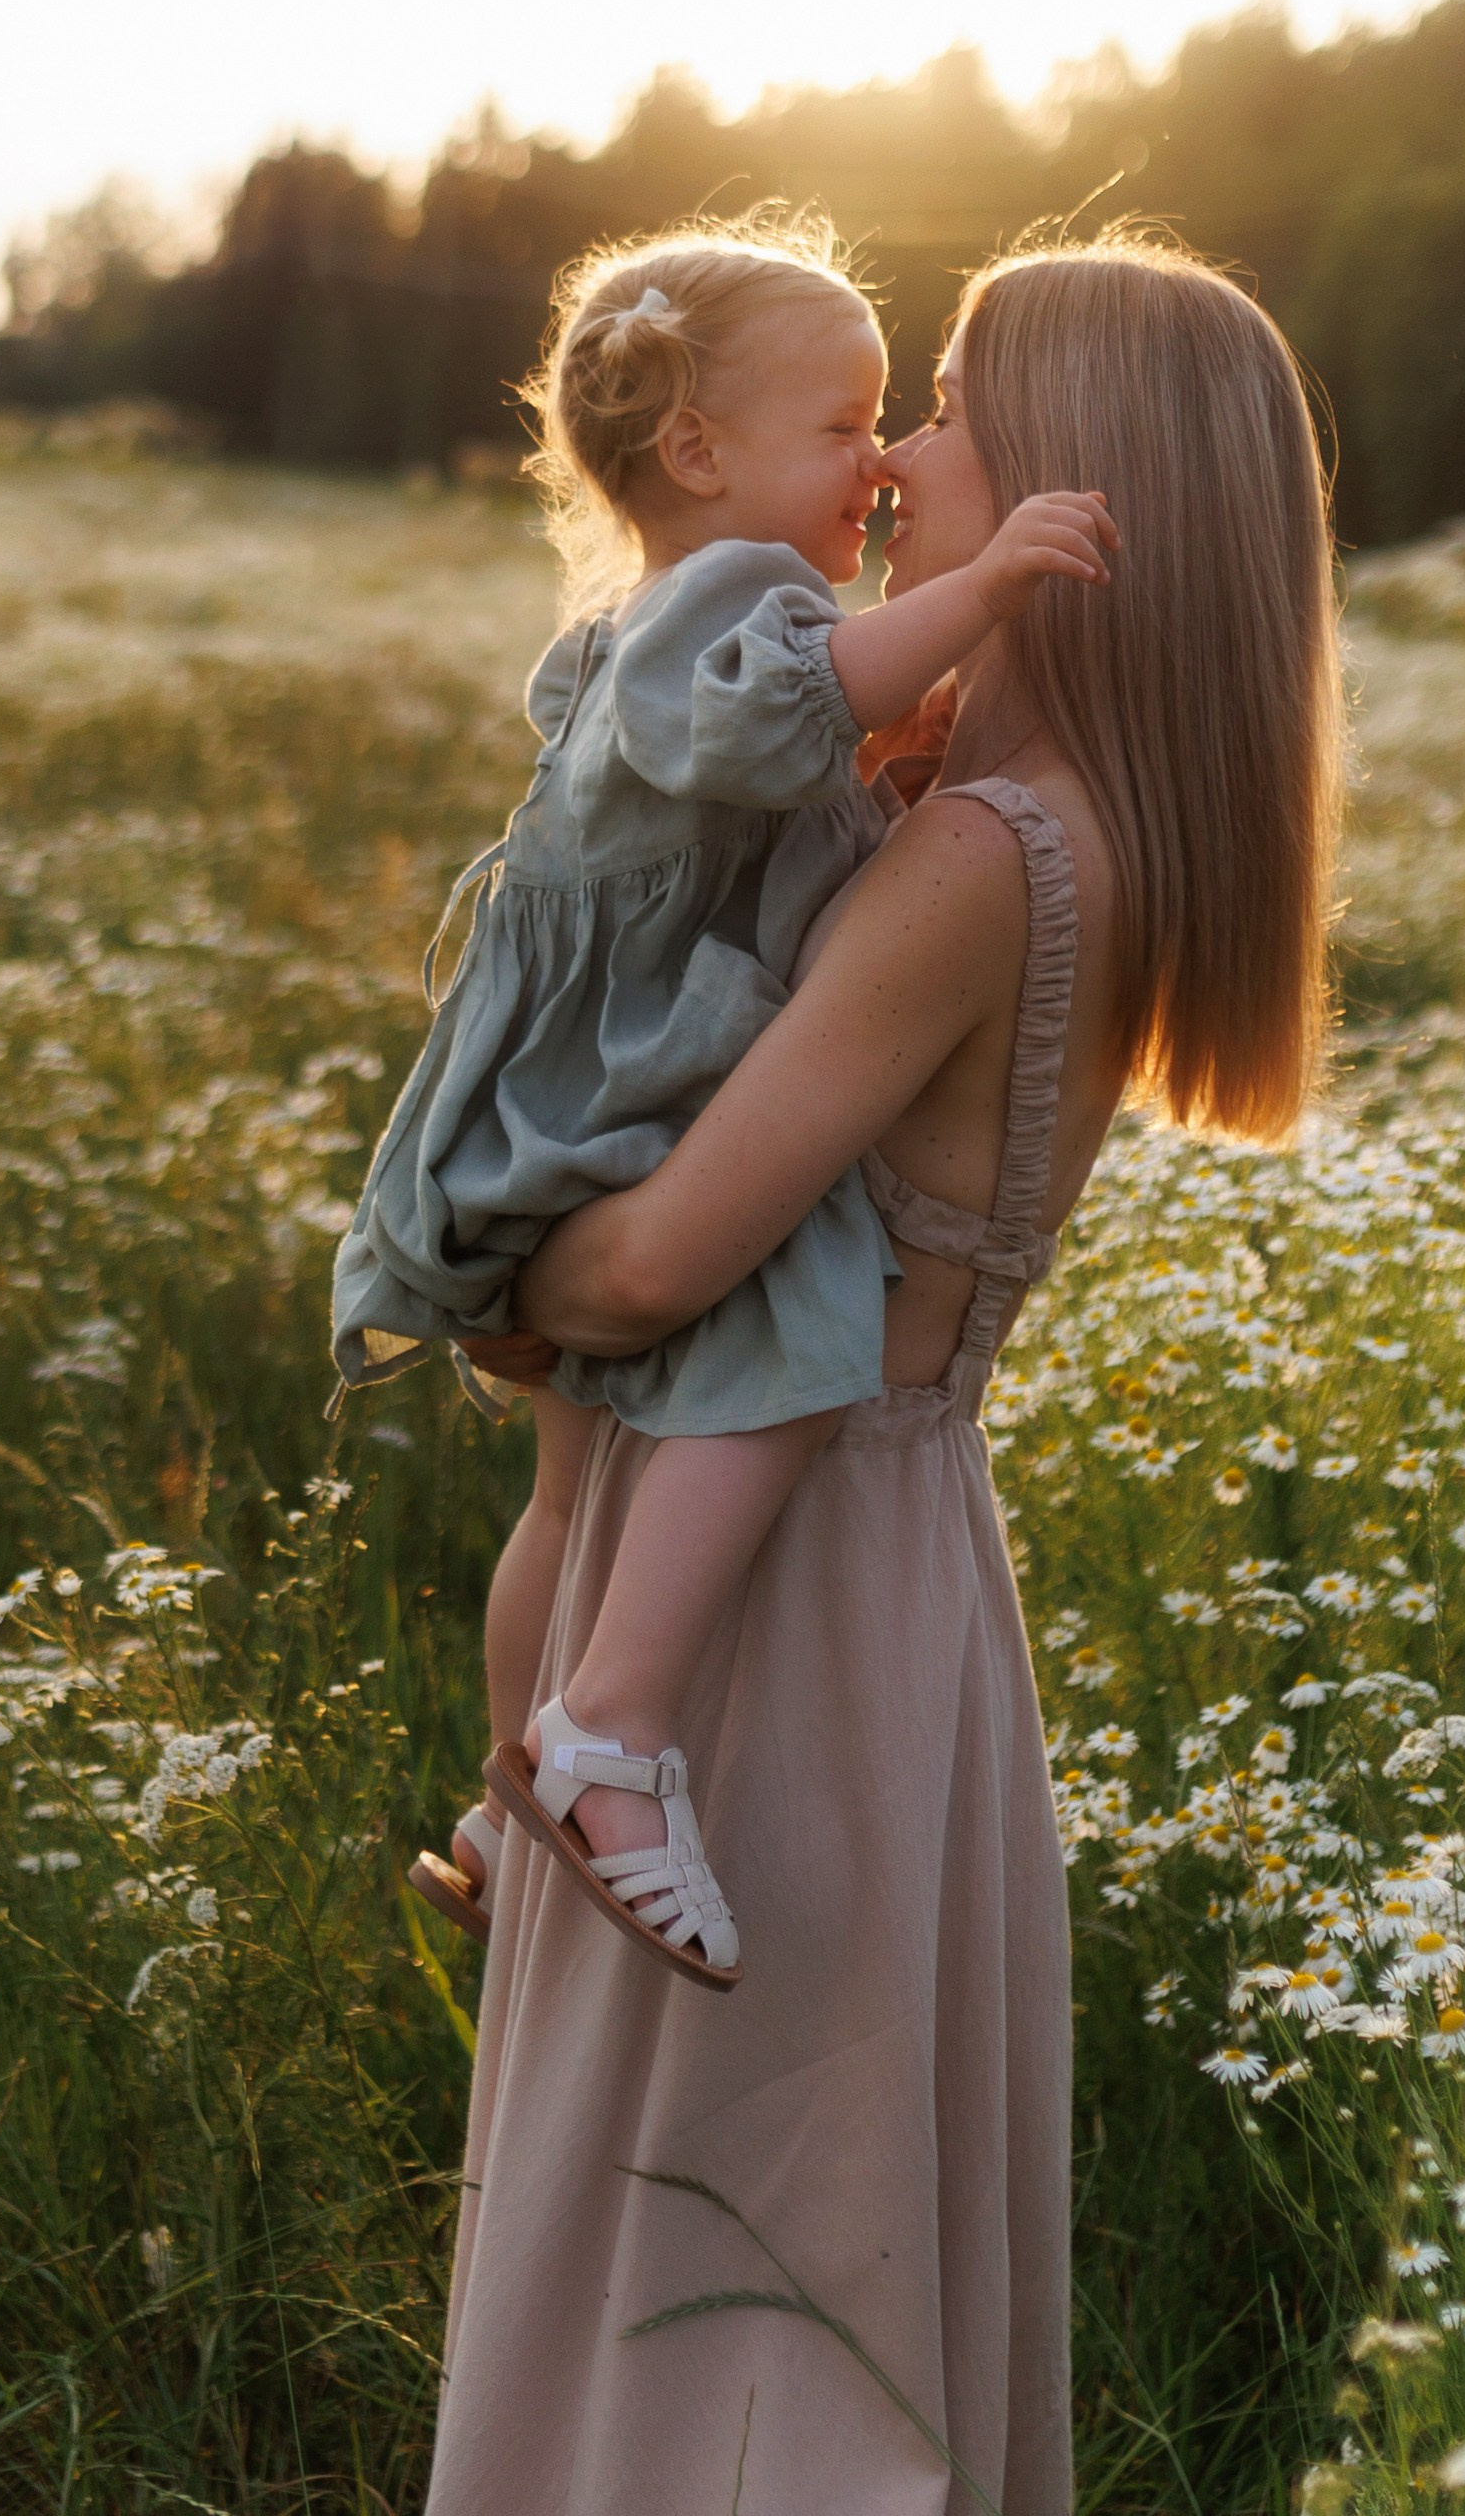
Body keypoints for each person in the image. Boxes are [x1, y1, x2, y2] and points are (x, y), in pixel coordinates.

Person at [423, 229, 1343, 2515]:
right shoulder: (1056, 824)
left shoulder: (978, 860)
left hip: (773, 1596)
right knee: (799, 2260)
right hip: (882, 1565)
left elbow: (658, 1270)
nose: (902, 459)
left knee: (718, 2304)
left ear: (1079, 482)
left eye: (940, 407)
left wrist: (483, 1262)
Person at [331, 218, 1115, 1981]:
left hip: (573, 1088)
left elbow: (768, 771)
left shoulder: (673, 613)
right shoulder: (742, 598)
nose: (879, 463)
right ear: (696, 450)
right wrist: (983, 598)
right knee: (796, 1330)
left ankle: (508, 1789)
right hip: (638, 1087)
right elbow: (786, 721)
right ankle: (610, 1732)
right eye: (845, 425)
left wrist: (894, 743)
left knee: (567, 1494)